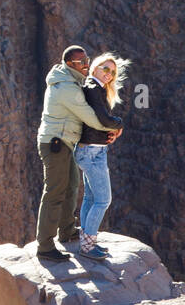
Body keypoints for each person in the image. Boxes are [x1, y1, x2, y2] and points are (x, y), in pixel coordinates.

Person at [35, 45, 122, 262]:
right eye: (80, 63)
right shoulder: (67, 87)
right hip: (56, 143)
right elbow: (91, 118)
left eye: (87, 61)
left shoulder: (73, 80)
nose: (85, 65)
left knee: (72, 187)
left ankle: (67, 231)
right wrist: (116, 127)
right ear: (68, 64)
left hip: (67, 142)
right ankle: (45, 247)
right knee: (54, 193)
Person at [73, 53, 128, 260]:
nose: (109, 74)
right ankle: (88, 246)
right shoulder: (94, 89)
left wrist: (109, 132)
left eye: (112, 72)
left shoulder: (95, 88)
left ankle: (86, 242)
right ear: (95, 67)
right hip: (91, 152)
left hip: (92, 150)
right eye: (105, 69)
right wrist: (119, 124)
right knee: (103, 200)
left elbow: (99, 121)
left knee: (91, 197)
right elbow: (102, 118)